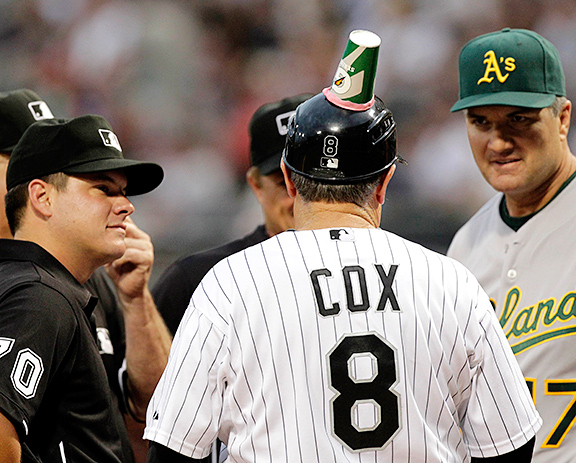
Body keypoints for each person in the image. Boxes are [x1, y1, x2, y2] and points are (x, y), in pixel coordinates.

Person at [144, 32, 541, 459]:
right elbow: (510, 445)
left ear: (290, 179)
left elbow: (174, 451)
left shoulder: (230, 284)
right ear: (385, 183)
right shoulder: (450, 283)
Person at [0, 89, 172, 462]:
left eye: (123, 192)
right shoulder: (39, 296)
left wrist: (135, 298)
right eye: (103, 189)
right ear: (42, 198)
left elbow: (156, 414)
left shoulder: (55, 286)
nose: (126, 206)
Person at [447, 28, 576, 462]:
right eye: (480, 122)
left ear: (562, 118)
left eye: (518, 119)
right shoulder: (465, 246)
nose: (498, 143)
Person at [152, 93, 312, 335]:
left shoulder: (380, 266)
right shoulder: (196, 280)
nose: (301, 197)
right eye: (284, 183)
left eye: (316, 177)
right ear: (256, 185)